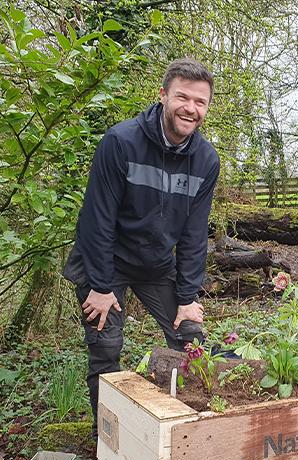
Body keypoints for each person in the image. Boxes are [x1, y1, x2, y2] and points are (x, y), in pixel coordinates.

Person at [63, 58, 219, 436]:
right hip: (106, 262)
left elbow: (194, 235)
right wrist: (100, 287)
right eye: (182, 97)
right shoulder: (121, 142)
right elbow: (96, 220)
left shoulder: (205, 160)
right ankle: (109, 441)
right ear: (163, 95)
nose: (190, 108)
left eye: (200, 102)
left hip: (155, 264)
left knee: (190, 336)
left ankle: (184, 434)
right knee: (106, 346)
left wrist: (187, 297)